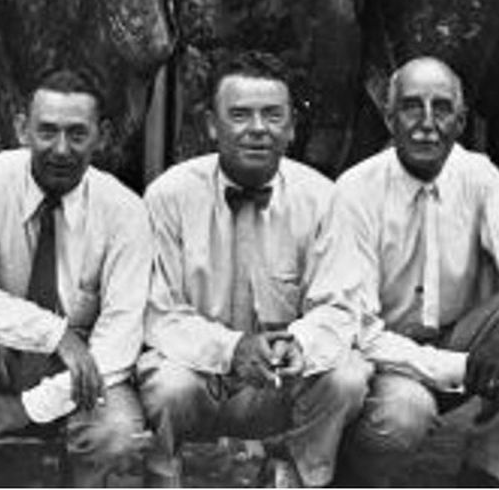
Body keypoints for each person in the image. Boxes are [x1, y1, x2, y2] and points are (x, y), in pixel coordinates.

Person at [328, 56, 499, 487]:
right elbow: (357, 331)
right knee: (405, 415)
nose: (426, 123)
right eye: (411, 107)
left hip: (461, 340)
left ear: (460, 121)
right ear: (389, 118)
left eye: (441, 108)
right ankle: (355, 477)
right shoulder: (354, 190)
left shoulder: (476, 174)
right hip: (384, 361)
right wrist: (460, 367)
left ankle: (494, 471)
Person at [138, 52, 371, 488]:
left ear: (291, 127)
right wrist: (232, 349)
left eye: (272, 115)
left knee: (349, 376)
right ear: (211, 124)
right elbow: (157, 312)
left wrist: (298, 345)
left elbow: (339, 306)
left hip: (282, 377)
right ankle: (167, 478)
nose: (258, 129)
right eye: (240, 115)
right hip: (199, 373)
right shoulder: (168, 196)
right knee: (166, 385)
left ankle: (296, 476)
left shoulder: (322, 198)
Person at [0, 68, 151, 486]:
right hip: (0, 358)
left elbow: (118, 342)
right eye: (47, 131)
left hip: (85, 375)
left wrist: (29, 407)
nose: (60, 149)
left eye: (77, 134)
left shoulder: (125, 210)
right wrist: (55, 334)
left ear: (102, 135)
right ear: (21, 127)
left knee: (118, 435)